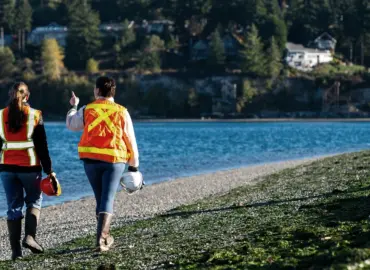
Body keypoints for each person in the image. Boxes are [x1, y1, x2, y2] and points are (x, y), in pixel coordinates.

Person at [66, 76, 139, 252]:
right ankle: (102, 238)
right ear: (113, 92)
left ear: (97, 90)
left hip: (90, 161)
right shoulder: (122, 111)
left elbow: (71, 124)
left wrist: (74, 106)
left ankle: (103, 236)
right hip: (114, 160)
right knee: (107, 198)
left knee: (100, 198)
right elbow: (130, 139)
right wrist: (134, 166)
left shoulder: (87, 109)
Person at [0, 82, 56, 260]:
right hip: (30, 169)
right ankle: (30, 237)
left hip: (7, 169)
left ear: (11, 95)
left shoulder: (1, 115)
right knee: (33, 202)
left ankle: (16, 252)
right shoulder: (35, 115)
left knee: (13, 208)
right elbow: (42, 146)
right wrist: (50, 171)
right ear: (27, 97)